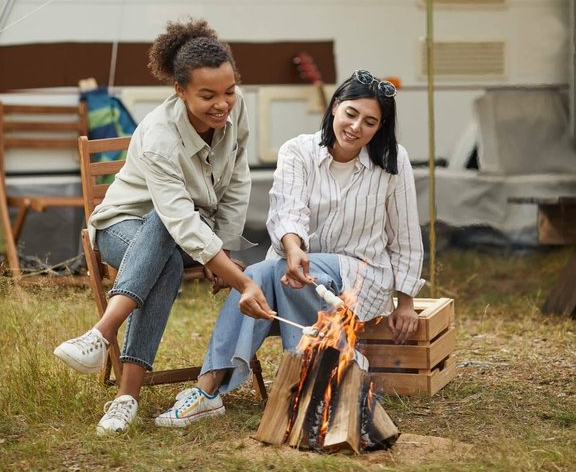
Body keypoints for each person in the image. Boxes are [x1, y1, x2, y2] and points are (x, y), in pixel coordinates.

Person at [155, 69, 425, 427]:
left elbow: (405, 233)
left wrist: (405, 301)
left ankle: (213, 391)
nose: (357, 127)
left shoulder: (393, 161)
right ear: (334, 108)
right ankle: (323, 373)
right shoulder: (298, 151)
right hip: (295, 273)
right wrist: (294, 248)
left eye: (370, 121)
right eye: (351, 114)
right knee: (263, 273)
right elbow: (287, 210)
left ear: (381, 127)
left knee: (263, 273)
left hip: (361, 279)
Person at [54, 18, 273, 434]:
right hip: (123, 226)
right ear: (180, 90)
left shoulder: (236, 106)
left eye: (228, 91)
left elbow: (239, 178)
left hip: (192, 229)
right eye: (207, 95)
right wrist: (238, 277)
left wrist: (222, 246)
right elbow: (175, 218)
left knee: (169, 242)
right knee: (163, 230)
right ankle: (124, 393)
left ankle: (102, 339)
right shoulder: (158, 136)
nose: (222, 104)